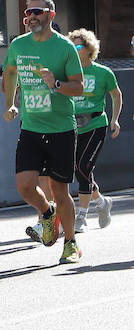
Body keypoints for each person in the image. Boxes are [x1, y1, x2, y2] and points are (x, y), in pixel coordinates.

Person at [3, 0, 85, 264]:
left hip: (61, 128)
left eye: (37, 11)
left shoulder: (64, 48)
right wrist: (11, 103)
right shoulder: (18, 45)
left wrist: (56, 84)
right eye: (28, 12)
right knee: (25, 186)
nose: (31, 16)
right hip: (31, 127)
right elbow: (11, 72)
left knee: (61, 190)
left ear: (51, 14)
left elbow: (79, 86)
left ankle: (71, 243)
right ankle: (48, 215)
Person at [66, 29, 122, 232]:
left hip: (95, 124)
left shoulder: (103, 73)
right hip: (72, 126)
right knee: (79, 170)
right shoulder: (68, 72)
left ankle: (81, 216)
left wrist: (115, 120)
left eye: (79, 46)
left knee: (83, 167)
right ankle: (101, 202)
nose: (75, 49)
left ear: (89, 48)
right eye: (72, 46)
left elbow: (116, 94)